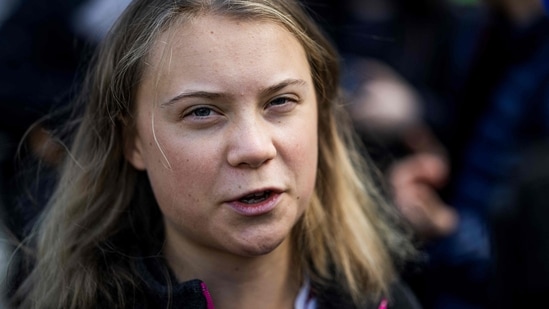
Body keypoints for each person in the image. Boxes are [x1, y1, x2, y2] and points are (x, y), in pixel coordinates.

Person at [7, 0, 421, 308]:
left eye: (279, 101)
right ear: (132, 141)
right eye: (202, 111)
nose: (255, 149)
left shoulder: (385, 299)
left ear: (321, 116)